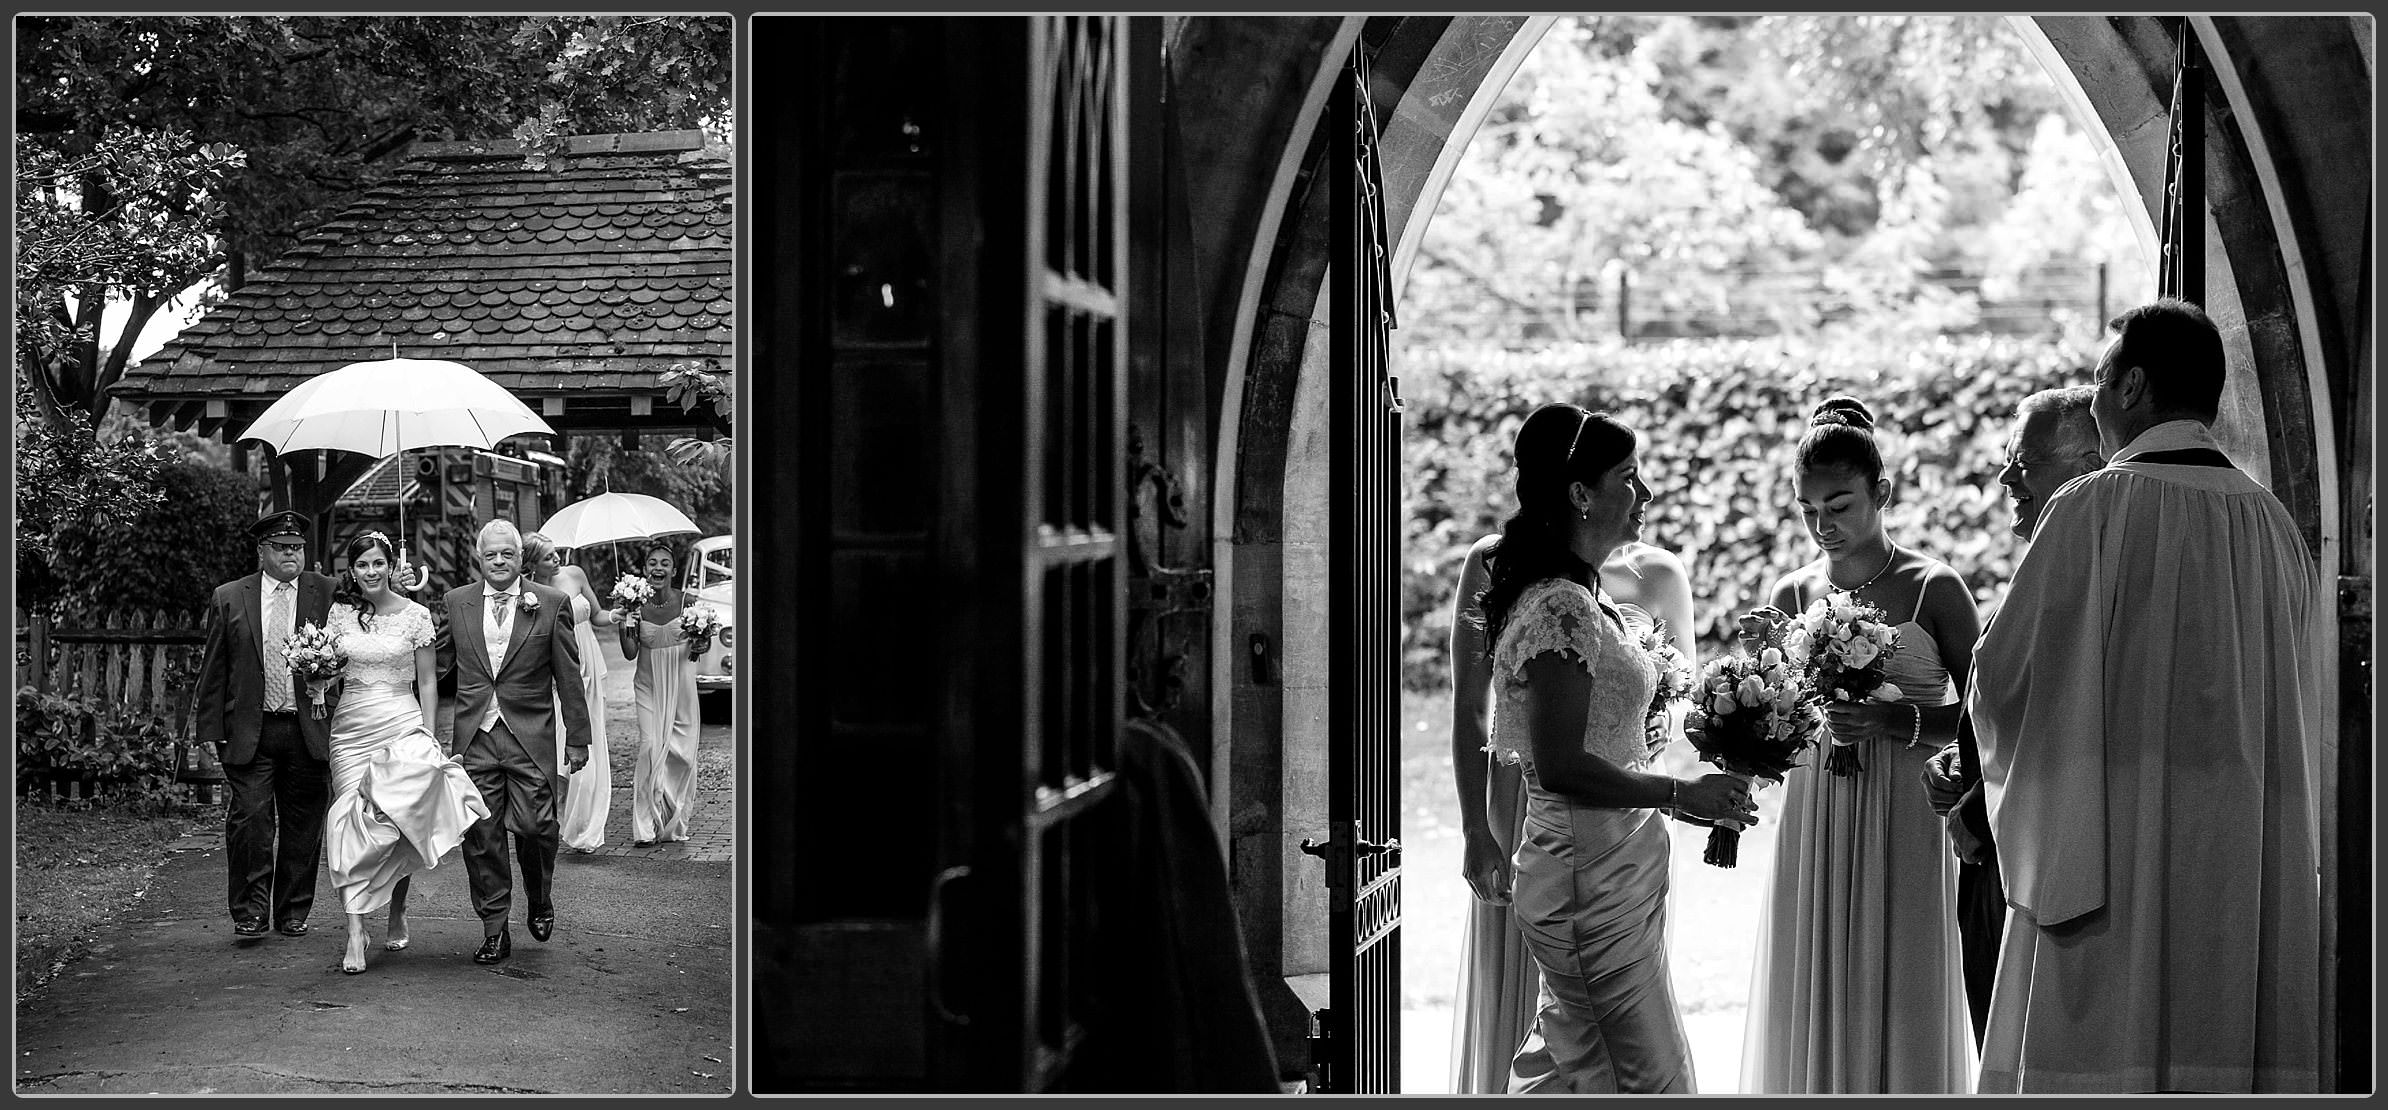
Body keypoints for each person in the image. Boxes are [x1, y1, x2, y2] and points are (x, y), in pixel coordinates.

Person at [1969, 299, 2321, 1093]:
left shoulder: (2091, 509)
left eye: (2098, 378)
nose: (2092, 400)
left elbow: (2004, 679)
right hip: (2242, 852)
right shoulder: (2275, 528)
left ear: (2130, 386)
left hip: (2113, 853)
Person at [1477, 408, 1754, 1094]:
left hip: (1614, 873)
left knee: (1575, 1067)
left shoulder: (1585, 598)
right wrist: (1680, 795)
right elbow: (1561, 763)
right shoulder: (1561, 607)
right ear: (1581, 493)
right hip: (1585, 880)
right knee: (1649, 1080)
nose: (1647, 494)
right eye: (1630, 477)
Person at [1739, 397, 1977, 1094]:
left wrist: (1891, 723)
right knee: (1812, 967)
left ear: (1883, 493)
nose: (1823, 527)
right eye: (1808, 510)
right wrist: (1762, 676)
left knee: (1901, 970)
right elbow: (1776, 731)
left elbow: (1981, 717)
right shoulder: (1792, 590)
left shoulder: (1935, 587)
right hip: (1818, 809)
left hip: (1904, 805)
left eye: (1838, 505)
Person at [1921, 385, 2104, 1043]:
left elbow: (2075, 730)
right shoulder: (2042, 570)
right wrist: (1959, 759)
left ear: (2087, 468)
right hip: (1992, 861)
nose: (2003, 477)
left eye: (2023, 463)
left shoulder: (2096, 578)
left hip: (2036, 874)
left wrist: (1975, 808)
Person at [320, 532, 488, 973]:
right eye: (362, 565)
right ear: (352, 571)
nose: (371, 572)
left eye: (378, 563)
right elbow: (328, 671)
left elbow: (429, 682)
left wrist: (429, 734)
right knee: (347, 821)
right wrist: (316, 681)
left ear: (391, 566)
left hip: (400, 722)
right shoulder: (339, 614)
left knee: (397, 820)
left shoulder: (416, 615)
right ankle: (355, 930)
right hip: (351, 729)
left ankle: (397, 906)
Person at [443, 519, 591, 964]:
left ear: (519, 557)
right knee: (480, 834)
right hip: (476, 737)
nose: (500, 561)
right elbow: (435, 663)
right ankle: (494, 929)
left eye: (508, 554)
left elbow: (568, 675)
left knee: (536, 826)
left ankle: (540, 897)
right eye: (491, 554)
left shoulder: (550, 602)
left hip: (530, 734)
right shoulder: (456, 602)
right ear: (479, 557)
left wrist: (578, 738)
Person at [193, 510, 341, 941]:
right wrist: (208, 733)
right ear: (262, 552)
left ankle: (293, 910)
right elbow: (214, 669)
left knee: (304, 826)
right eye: (282, 547)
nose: (292, 554)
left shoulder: (328, 592)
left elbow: (374, 597)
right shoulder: (230, 596)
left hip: (307, 727)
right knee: (250, 822)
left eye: (297, 547)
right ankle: (250, 911)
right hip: (249, 730)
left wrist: (401, 579)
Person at [525, 532, 613, 853]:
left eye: (556, 552)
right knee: (559, 746)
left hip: (589, 664)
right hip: (555, 671)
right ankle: (554, 816)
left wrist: (618, 614)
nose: (557, 559)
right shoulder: (529, 593)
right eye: (548, 556)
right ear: (532, 563)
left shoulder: (575, 574)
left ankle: (584, 825)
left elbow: (599, 615)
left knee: (588, 742)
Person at [619, 543, 706, 845]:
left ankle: (670, 817)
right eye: (652, 563)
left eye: (664, 563)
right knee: (650, 747)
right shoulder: (635, 605)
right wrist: (625, 623)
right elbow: (630, 653)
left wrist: (700, 644)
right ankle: (644, 826)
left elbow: (698, 651)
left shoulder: (688, 603)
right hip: (648, 685)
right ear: (644, 570)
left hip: (681, 688)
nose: (658, 568)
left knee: (682, 754)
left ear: (673, 570)